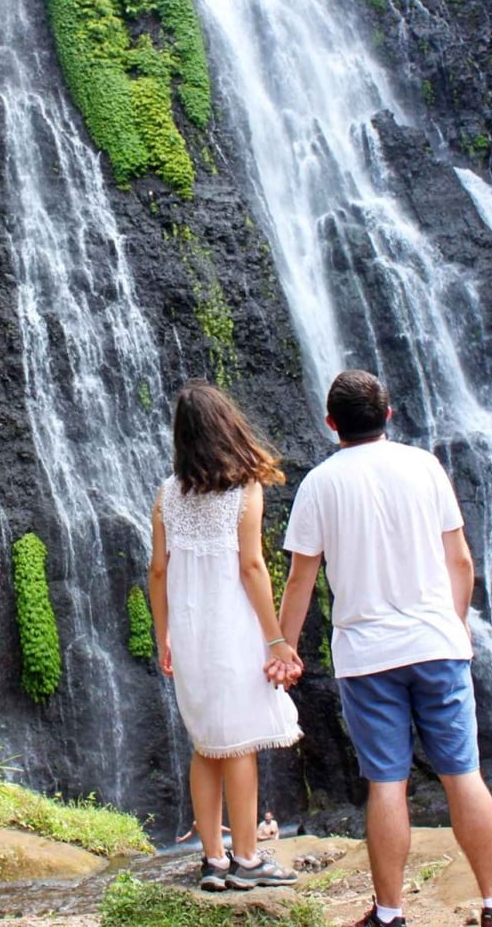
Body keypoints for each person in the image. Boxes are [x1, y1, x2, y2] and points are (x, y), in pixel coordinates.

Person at [266, 370, 492, 927]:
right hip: (437, 644)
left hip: (368, 658)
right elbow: (460, 560)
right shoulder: (425, 466)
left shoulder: (319, 482)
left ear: (330, 423)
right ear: (389, 415)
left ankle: (389, 914)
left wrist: (284, 648)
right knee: (463, 773)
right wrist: (454, 629)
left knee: (386, 783)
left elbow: (301, 579)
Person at [149, 380, 304, 892]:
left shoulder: (167, 494)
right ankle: (248, 859)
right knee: (238, 745)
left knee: (205, 746)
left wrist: (162, 634)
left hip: (189, 634)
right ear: (226, 428)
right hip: (232, 629)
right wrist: (277, 638)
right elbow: (253, 566)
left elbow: (156, 571)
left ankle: (213, 861)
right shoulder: (244, 491)